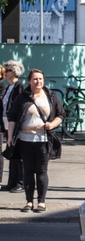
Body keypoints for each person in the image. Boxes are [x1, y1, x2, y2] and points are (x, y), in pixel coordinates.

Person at [7, 69, 65, 213]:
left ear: (43, 80)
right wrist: (9, 138)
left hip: (44, 140)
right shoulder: (22, 97)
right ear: (29, 81)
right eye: (35, 79)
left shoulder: (51, 96)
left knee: (41, 171)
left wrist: (52, 125)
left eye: (40, 79)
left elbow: (61, 114)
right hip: (25, 139)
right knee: (28, 171)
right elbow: (12, 118)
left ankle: (41, 202)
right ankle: (28, 201)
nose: (38, 81)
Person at [1, 60, 25, 192]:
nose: (6, 72)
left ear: (15, 72)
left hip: (15, 123)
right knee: (11, 152)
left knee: (17, 154)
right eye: (6, 69)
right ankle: (11, 182)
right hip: (7, 123)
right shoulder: (8, 87)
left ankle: (19, 182)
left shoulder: (19, 87)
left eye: (9, 70)